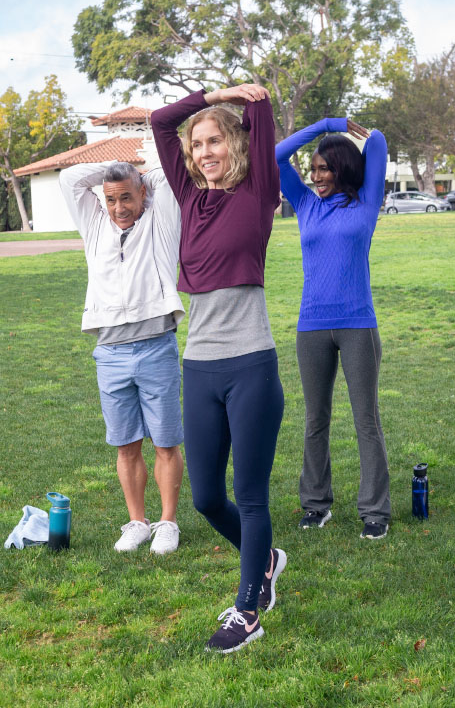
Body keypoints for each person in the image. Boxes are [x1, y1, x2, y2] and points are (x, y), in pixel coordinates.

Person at [151, 84, 286, 652]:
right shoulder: (187, 197)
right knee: (205, 496)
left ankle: (247, 610)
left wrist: (245, 101)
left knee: (250, 496)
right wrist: (214, 94)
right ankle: (268, 560)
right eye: (197, 144)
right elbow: (161, 122)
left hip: (251, 362)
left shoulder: (257, 191)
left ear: (235, 143)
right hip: (200, 366)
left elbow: (262, 116)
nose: (205, 151)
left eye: (215, 141)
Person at [59, 161, 185, 555]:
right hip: (109, 352)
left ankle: (167, 522)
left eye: (126, 197)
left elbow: (169, 173)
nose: (118, 208)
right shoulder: (94, 227)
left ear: (142, 193)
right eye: (110, 200)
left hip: (156, 346)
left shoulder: (160, 221)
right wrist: (112, 176)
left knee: (165, 443)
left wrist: (137, 173)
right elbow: (68, 179)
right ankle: (137, 523)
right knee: (126, 444)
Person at [275, 117, 391, 539]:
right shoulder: (305, 203)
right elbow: (274, 156)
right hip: (312, 327)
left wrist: (357, 131)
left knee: (366, 420)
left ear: (342, 168)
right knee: (315, 419)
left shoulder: (366, 202)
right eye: (314, 169)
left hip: (358, 324)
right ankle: (316, 505)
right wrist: (324, 124)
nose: (316, 176)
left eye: (324, 168)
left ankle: (375, 510)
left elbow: (377, 142)